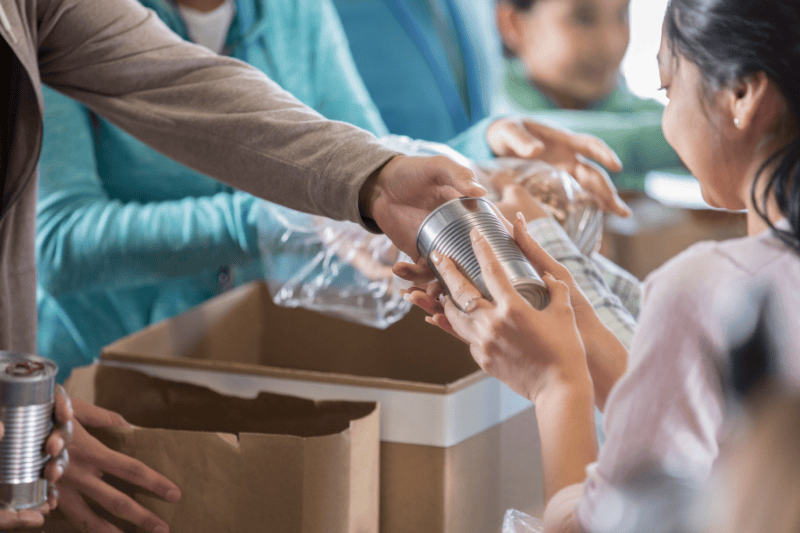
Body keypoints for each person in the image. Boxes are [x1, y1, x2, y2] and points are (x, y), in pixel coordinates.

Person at [1, 0, 491, 526]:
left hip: (43, 421)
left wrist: (374, 177)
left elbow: (178, 85)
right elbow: (58, 241)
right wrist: (285, 216)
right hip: (88, 376)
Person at [401, 0, 800, 531]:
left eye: (666, 88)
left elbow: (600, 524)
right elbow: (675, 391)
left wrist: (555, 384)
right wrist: (557, 291)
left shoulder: (711, 290)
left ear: (743, 95)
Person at [493, 0, 683, 188]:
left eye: (622, 15)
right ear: (516, 25)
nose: (612, 44)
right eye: (583, 19)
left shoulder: (630, 107)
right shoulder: (488, 112)